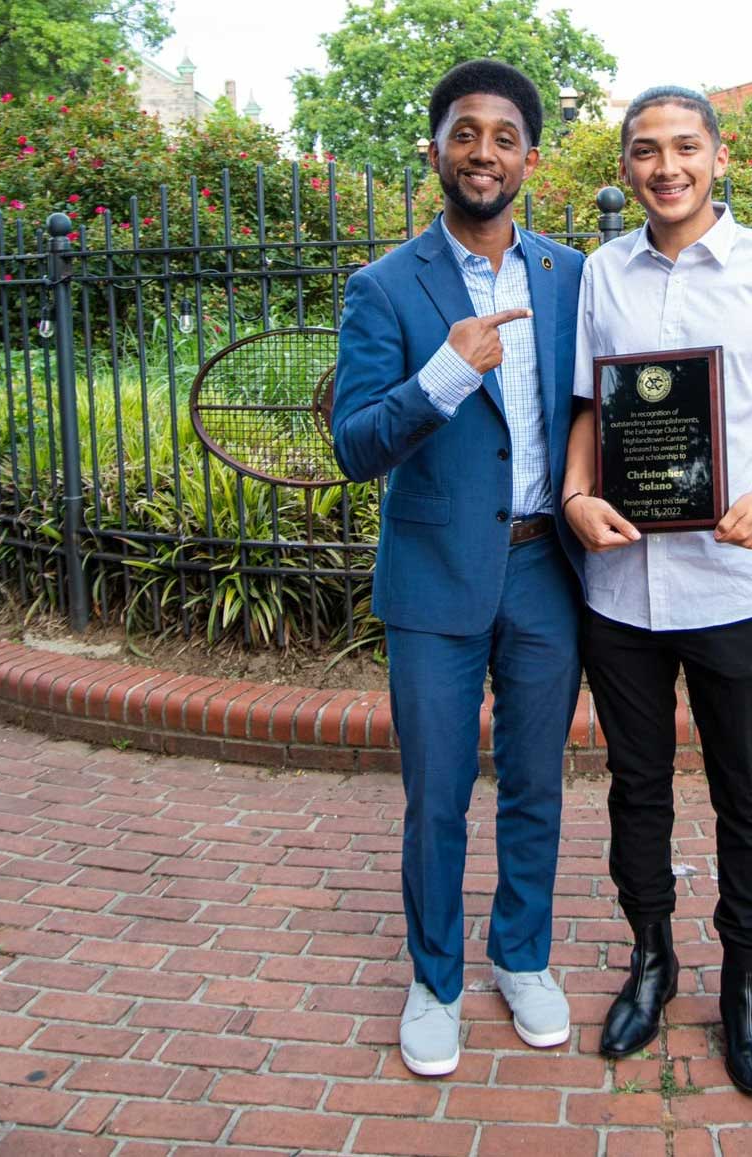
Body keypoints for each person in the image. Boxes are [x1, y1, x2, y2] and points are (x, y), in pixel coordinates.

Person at [561, 86, 752, 1095]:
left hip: (735, 578)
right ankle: (650, 956)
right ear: (628, 165)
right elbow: (593, 407)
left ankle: (743, 982)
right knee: (635, 788)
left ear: (719, 158)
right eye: (645, 150)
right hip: (623, 588)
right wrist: (570, 491)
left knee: (744, 792)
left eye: (685, 147)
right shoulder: (602, 272)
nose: (665, 166)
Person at [331, 59, 585, 1078]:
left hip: (544, 570)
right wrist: (443, 371)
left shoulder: (570, 273)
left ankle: (520, 956)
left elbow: (593, 411)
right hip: (435, 573)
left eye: (505, 135)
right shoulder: (386, 286)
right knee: (436, 792)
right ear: (434, 149)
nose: (485, 151)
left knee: (536, 783)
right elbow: (354, 444)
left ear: (530, 156)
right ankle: (434, 977)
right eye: (465, 133)